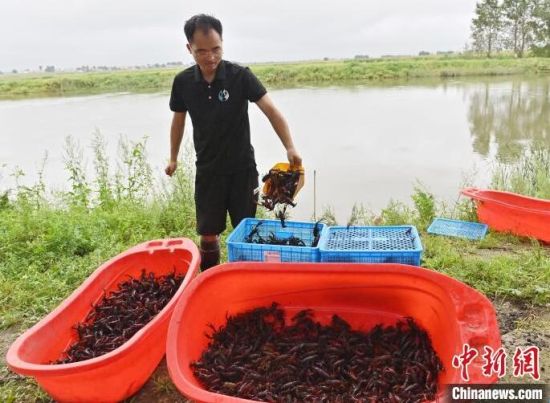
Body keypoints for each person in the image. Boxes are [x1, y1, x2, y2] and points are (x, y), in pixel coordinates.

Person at [165, 14, 302, 271]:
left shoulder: (240, 76)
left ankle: (244, 278)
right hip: (208, 171)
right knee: (208, 235)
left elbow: (272, 112)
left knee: (246, 232)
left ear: (222, 43)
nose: (210, 57)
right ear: (189, 48)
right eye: (201, 51)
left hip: (242, 170)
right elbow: (178, 121)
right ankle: (210, 277)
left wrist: (290, 146)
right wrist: (173, 157)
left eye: (216, 49)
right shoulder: (183, 82)